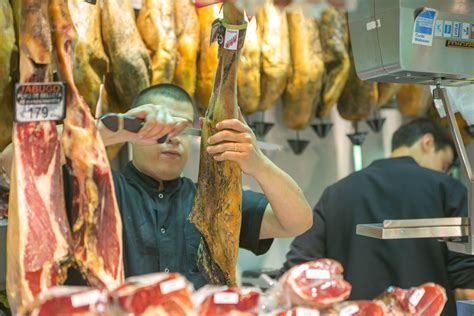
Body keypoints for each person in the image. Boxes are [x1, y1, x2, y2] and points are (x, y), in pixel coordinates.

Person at [1, 83, 312, 289]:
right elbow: (13, 161)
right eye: (157, 129)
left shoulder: (212, 200)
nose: (171, 138)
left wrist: (258, 163)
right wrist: (109, 131)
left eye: (180, 128)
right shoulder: (91, 188)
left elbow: (296, 220)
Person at [279, 118, 474, 315]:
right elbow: (466, 280)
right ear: (427, 142)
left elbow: (298, 266)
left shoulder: (336, 192)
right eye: (444, 163)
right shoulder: (448, 189)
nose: (444, 172)